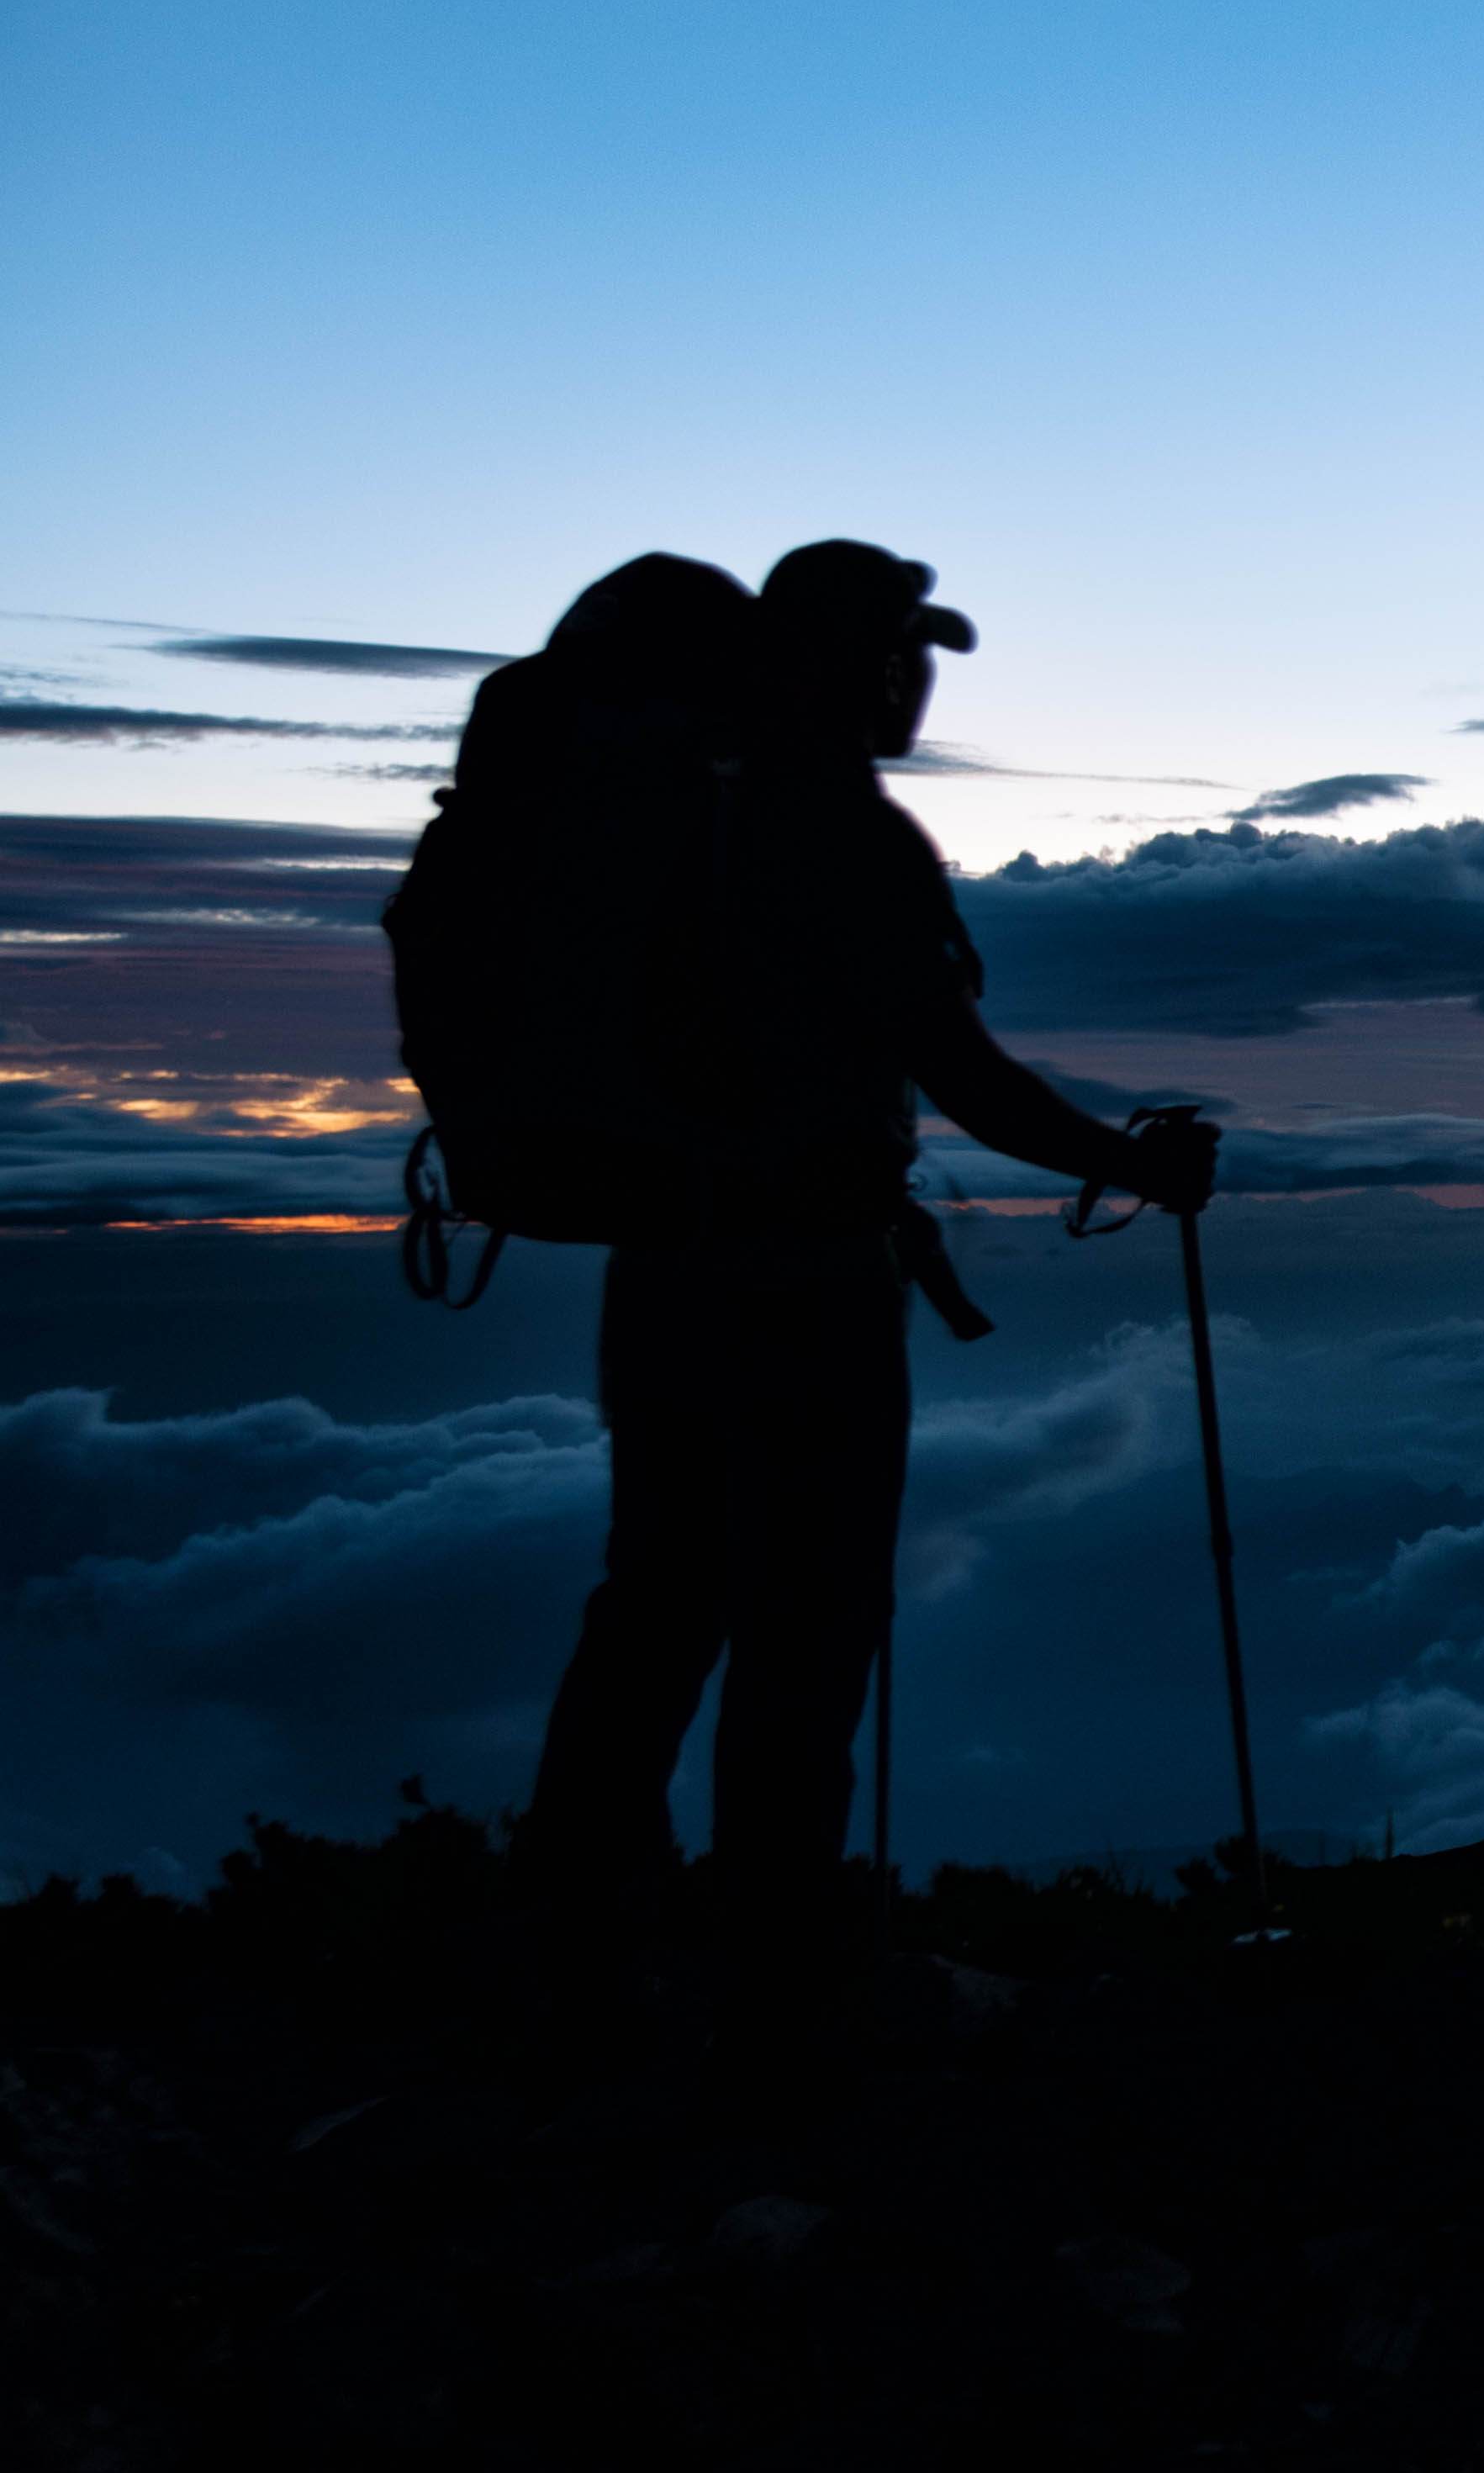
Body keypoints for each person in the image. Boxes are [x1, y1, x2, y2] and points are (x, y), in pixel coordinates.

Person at [425, 542, 1218, 1947]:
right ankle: (776, 1970)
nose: (917, 678)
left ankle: (573, 1927)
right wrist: (1129, 1164)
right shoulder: (840, 835)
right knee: (806, 1626)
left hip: (662, 1262)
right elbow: (960, 1072)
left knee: (660, 1600)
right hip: (807, 1282)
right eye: (899, 649)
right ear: (838, 665)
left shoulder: (679, 823)